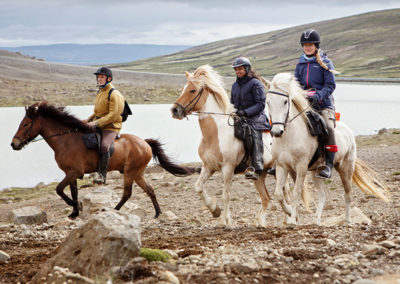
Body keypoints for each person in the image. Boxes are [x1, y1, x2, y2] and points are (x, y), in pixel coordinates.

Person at [294, 29, 340, 178]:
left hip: (323, 104)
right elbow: (296, 85)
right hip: (305, 104)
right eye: (305, 45)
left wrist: (318, 96)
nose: (307, 47)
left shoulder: (326, 63)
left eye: (310, 44)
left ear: (316, 46)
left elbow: (330, 85)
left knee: (328, 127)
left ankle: (328, 165)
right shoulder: (300, 64)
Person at [231, 57, 270, 180]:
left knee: (252, 132)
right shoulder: (234, 85)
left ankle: (257, 166)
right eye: (236, 69)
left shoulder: (255, 84)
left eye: (241, 69)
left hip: (256, 117)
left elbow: (260, 104)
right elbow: (232, 102)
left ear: (247, 69)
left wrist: (246, 112)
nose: (238, 71)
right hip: (240, 116)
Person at [85, 67, 125, 184]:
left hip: (111, 126)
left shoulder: (114, 93)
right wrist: (88, 120)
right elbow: (98, 112)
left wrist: (96, 123)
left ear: (109, 78)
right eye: (98, 77)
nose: (99, 79)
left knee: (104, 145)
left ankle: (102, 175)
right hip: (100, 124)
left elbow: (113, 115)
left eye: (102, 77)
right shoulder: (101, 91)